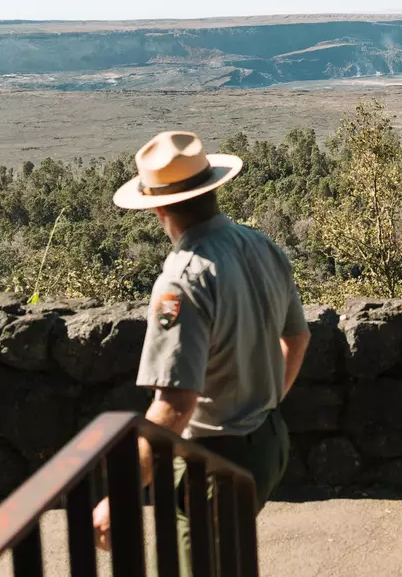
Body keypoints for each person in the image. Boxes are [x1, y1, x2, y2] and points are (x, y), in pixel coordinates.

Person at [92, 131, 309, 564]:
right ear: (211, 187)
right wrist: (262, 405)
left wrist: (121, 496)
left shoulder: (182, 279)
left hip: (213, 462)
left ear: (156, 208)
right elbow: (298, 337)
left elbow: (175, 403)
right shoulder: (262, 246)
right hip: (268, 443)